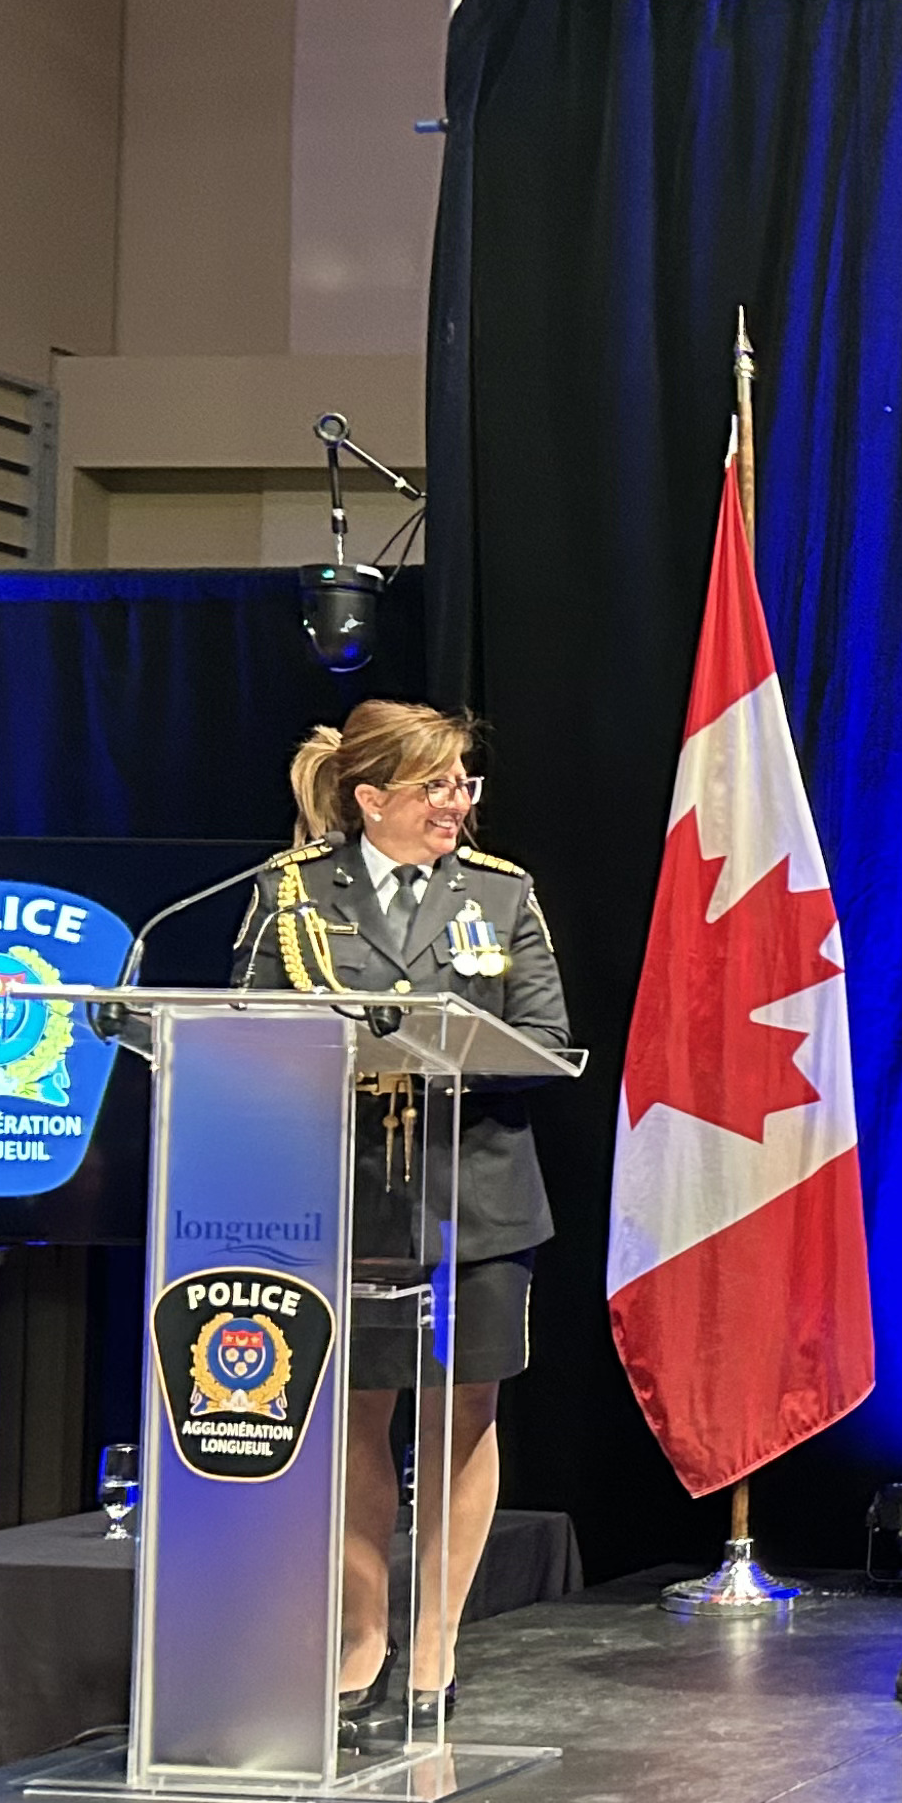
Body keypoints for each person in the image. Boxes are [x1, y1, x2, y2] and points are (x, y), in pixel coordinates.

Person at [238, 701, 572, 1743]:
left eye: (465, 782)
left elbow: (549, 1038)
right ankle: (361, 1640)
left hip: (472, 1195)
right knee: (357, 1417)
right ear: (370, 798)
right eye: (435, 785)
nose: (456, 804)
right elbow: (241, 1024)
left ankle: (436, 1643)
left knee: (463, 1413)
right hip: (344, 1199)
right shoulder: (290, 894)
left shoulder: (500, 893)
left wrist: (437, 1050)